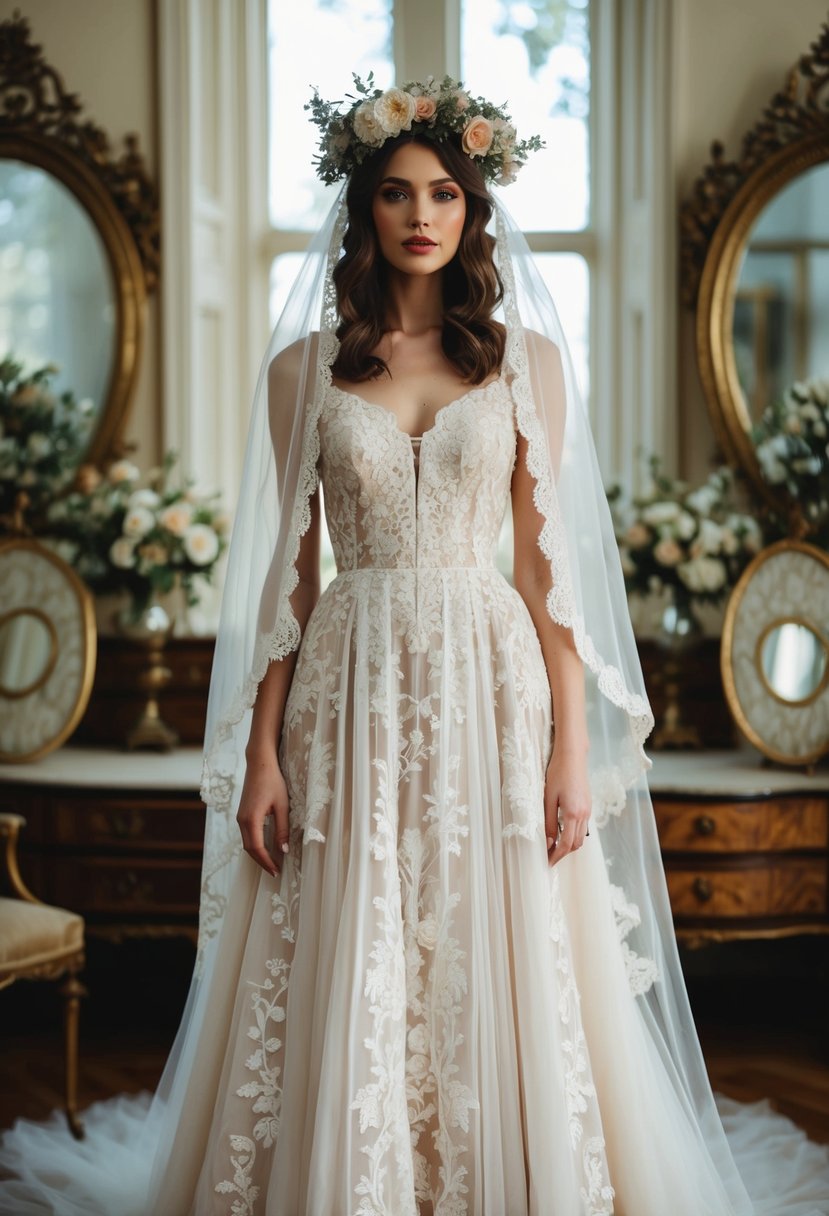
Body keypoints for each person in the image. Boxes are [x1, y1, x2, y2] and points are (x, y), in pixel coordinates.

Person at [1, 74, 829, 1216]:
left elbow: (547, 576)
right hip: (344, 682)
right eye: (396, 192)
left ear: (473, 209)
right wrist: (260, 752)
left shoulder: (529, 362)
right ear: (364, 210)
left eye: (445, 192)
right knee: (354, 927)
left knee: (496, 931)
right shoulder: (302, 371)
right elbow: (291, 579)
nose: (421, 214)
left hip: (491, 680)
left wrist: (570, 749)